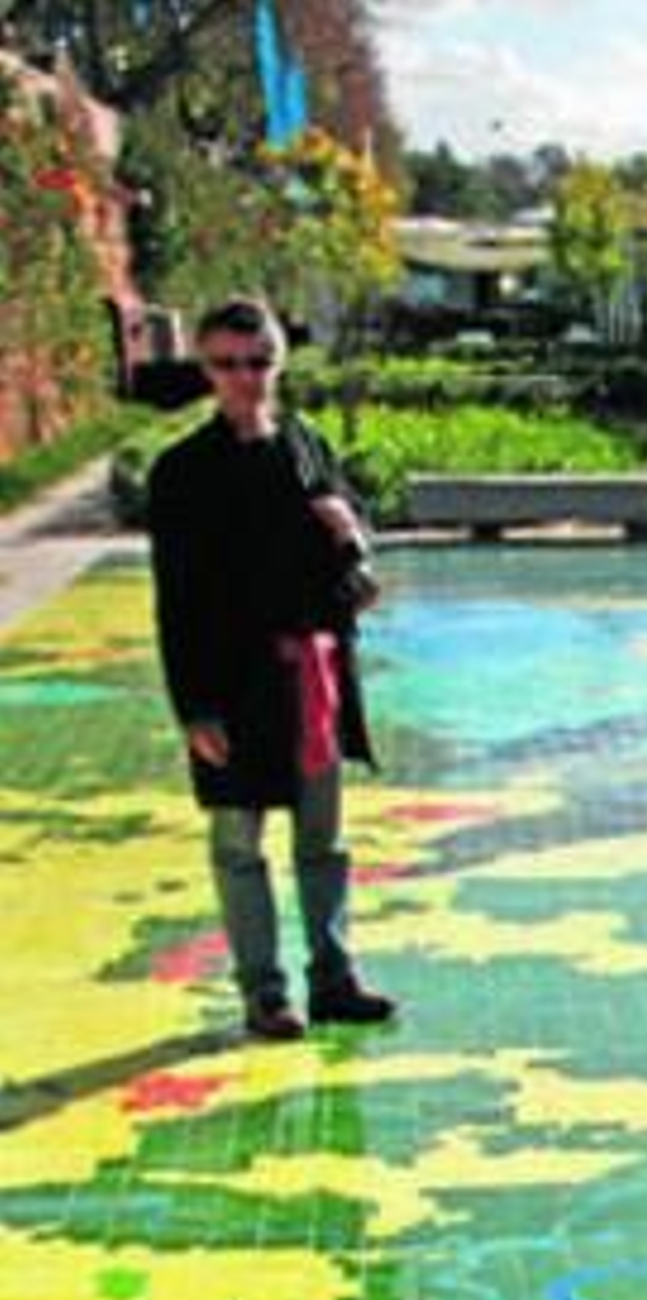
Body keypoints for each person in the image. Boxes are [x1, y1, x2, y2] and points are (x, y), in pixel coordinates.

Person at [148, 296, 396, 1042]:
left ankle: (333, 978)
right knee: (238, 843)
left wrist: (358, 552)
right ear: (205, 369)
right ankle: (263, 992)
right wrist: (194, 709)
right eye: (227, 364)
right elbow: (177, 601)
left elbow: (345, 528)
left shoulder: (308, 443)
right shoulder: (183, 472)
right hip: (232, 683)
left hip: (313, 674)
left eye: (258, 363)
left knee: (322, 840)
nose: (245, 379)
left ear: (279, 364)